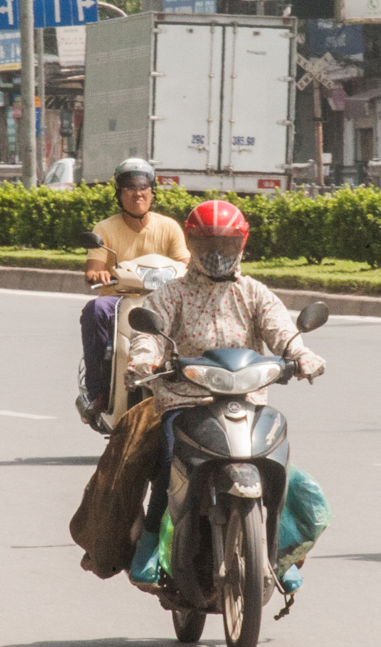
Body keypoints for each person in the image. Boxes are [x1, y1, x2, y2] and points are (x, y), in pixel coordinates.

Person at [124, 200, 326, 584]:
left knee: (275, 462)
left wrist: (301, 355)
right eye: (206, 245)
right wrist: (146, 359)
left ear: (241, 245)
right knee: (169, 463)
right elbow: (150, 334)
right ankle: (150, 544)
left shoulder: (254, 293)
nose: (216, 255)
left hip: (246, 401)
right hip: (186, 401)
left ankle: (279, 554)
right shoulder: (172, 294)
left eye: (226, 246)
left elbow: (282, 330)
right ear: (191, 244)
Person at [79, 158, 190, 420]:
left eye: (143, 187)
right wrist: (100, 273)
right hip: (118, 300)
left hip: (164, 300)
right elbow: (92, 270)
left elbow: (185, 264)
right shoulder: (104, 229)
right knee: (94, 310)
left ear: (152, 192)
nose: (137, 193)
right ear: (118, 193)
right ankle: (99, 393)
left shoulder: (169, 227)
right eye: (129, 187)